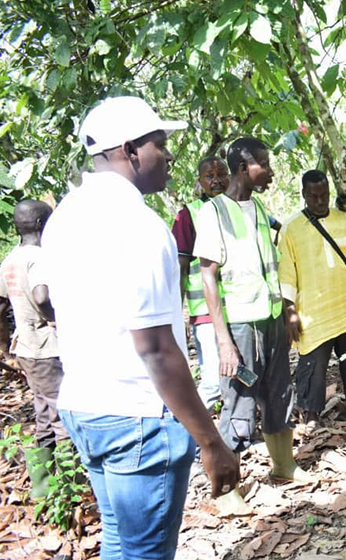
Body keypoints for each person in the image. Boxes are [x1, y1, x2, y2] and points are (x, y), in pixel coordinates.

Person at [41, 96, 239, 559]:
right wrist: (210, 441)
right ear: (129, 150)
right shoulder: (139, 225)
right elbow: (154, 348)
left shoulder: (65, 216)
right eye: (160, 144)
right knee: (146, 552)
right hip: (138, 418)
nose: (169, 156)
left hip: (87, 407)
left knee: (121, 541)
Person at [193, 137, 311, 514]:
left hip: (271, 320)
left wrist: (287, 315)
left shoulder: (258, 207)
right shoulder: (213, 212)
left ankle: (284, 465)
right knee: (240, 401)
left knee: (279, 393)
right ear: (244, 168)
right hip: (241, 327)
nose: (271, 171)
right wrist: (224, 341)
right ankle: (227, 490)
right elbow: (208, 278)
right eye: (265, 164)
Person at [280, 170, 346, 430]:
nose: (320, 201)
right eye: (314, 196)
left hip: (345, 305)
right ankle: (311, 412)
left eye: (324, 195)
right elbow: (286, 275)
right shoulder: (291, 229)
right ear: (304, 194)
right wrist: (291, 313)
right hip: (313, 311)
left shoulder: (344, 220)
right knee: (313, 362)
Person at [0, 200, 69, 500]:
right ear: (42, 224)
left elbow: (1, 306)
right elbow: (42, 296)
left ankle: (42, 488)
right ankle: (70, 486)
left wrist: (6, 349)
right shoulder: (40, 258)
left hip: (26, 347)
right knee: (61, 415)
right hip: (47, 347)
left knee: (43, 414)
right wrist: (55, 319)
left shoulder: (10, 259)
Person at [171, 156, 230, 411]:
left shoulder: (238, 207)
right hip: (206, 312)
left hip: (239, 309)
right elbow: (181, 267)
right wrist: (177, 315)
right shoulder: (188, 215)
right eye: (209, 176)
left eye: (221, 174)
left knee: (239, 375)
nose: (216, 180)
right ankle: (187, 429)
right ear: (200, 181)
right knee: (213, 382)